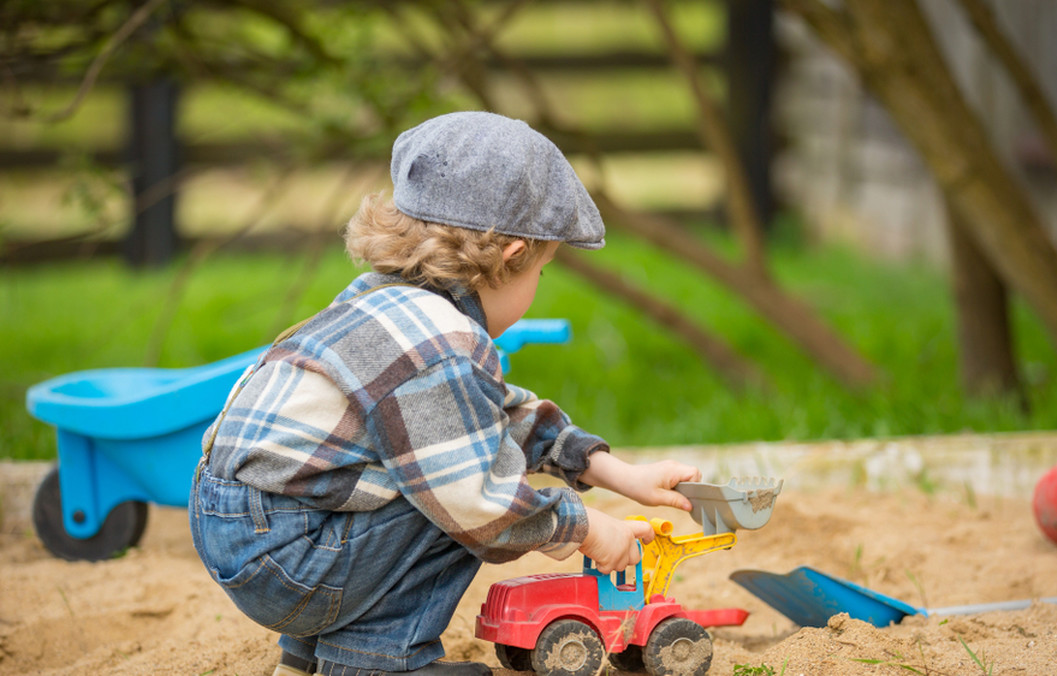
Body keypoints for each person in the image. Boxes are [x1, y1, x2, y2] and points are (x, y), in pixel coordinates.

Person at [189, 111, 702, 676]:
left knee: (422, 467)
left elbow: (491, 415)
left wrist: (612, 472)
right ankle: (382, 663)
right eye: (543, 271)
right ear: (511, 258)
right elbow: (478, 497)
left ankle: (310, 658)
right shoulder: (442, 342)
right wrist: (582, 527)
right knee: (447, 498)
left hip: (242, 528)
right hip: (288, 559)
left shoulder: (382, 299)